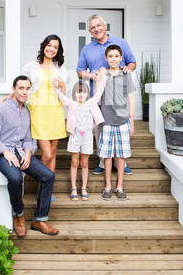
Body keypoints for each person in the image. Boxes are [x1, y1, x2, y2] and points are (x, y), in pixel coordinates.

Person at [0, 35, 67, 202]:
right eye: (49, 45)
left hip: (55, 111)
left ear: (58, 51)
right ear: (44, 46)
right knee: (46, 154)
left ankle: (46, 190)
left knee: (53, 153)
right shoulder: (31, 66)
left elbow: (63, 95)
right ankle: (44, 183)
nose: (51, 49)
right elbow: (22, 86)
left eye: (55, 47)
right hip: (38, 111)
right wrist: (5, 98)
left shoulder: (59, 68)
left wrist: (63, 87)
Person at [0, 75, 59, 238]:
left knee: (48, 176)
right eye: (21, 88)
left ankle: (39, 220)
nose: (25, 92)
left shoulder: (26, 111)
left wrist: (27, 152)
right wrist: (6, 152)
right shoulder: (1, 109)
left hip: (20, 152)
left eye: (27, 88)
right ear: (13, 89)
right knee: (16, 178)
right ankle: (18, 214)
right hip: (0, 155)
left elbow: (27, 138)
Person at [76, 14, 136, 175]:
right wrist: (93, 75)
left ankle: (120, 163)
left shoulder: (121, 43)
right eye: (93, 28)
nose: (96, 29)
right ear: (90, 31)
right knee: (100, 131)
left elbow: (132, 62)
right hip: (98, 98)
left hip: (119, 98)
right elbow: (80, 71)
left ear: (105, 25)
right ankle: (103, 162)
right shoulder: (87, 49)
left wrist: (128, 69)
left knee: (120, 128)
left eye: (98, 25)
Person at [54, 72, 106, 201]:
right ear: (74, 94)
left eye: (83, 92)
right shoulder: (72, 104)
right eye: (78, 92)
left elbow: (99, 93)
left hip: (87, 137)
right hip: (75, 137)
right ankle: (73, 187)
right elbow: (60, 96)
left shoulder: (91, 103)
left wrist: (102, 78)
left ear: (87, 94)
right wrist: (57, 86)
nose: (81, 95)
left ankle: (83, 187)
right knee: (74, 162)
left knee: (84, 163)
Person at [96, 45, 135, 201]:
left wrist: (131, 122)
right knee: (106, 155)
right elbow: (97, 97)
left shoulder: (126, 75)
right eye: (110, 56)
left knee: (121, 154)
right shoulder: (103, 75)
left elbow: (131, 99)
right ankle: (108, 186)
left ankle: (120, 186)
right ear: (106, 58)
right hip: (106, 120)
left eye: (116, 56)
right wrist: (99, 76)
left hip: (123, 120)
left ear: (121, 58)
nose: (113, 59)